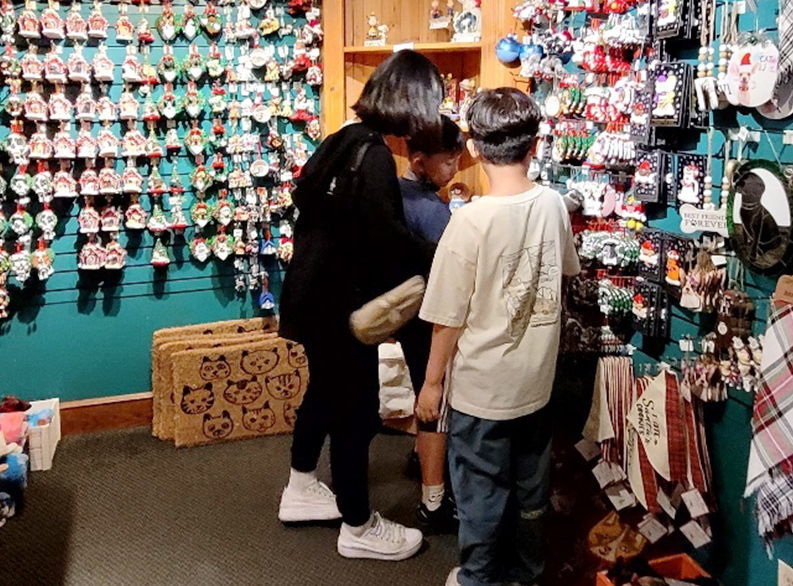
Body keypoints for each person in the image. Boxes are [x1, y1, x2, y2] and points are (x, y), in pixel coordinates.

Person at [277, 50, 443, 562]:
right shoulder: (374, 156)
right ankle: (358, 525)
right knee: (354, 410)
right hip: (339, 307)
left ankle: (301, 484)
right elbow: (387, 240)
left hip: (308, 296)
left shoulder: (342, 139)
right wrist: (442, 255)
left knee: (324, 392)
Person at [415, 88, 581, 586]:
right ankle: (526, 575)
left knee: (481, 496)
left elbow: (446, 318)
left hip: (481, 392)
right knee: (531, 492)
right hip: (537, 383)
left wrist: (431, 384)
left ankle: (478, 579)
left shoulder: (469, 222)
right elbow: (563, 272)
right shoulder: (553, 205)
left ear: (472, 147)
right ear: (535, 145)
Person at [396, 115, 462, 533]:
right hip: (430, 316)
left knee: (425, 390)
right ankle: (433, 502)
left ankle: (422, 459)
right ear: (420, 160)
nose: (455, 168)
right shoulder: (428, 209)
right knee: (433, 399)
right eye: (448, 161)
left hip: (411, 311)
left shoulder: (400, 193)